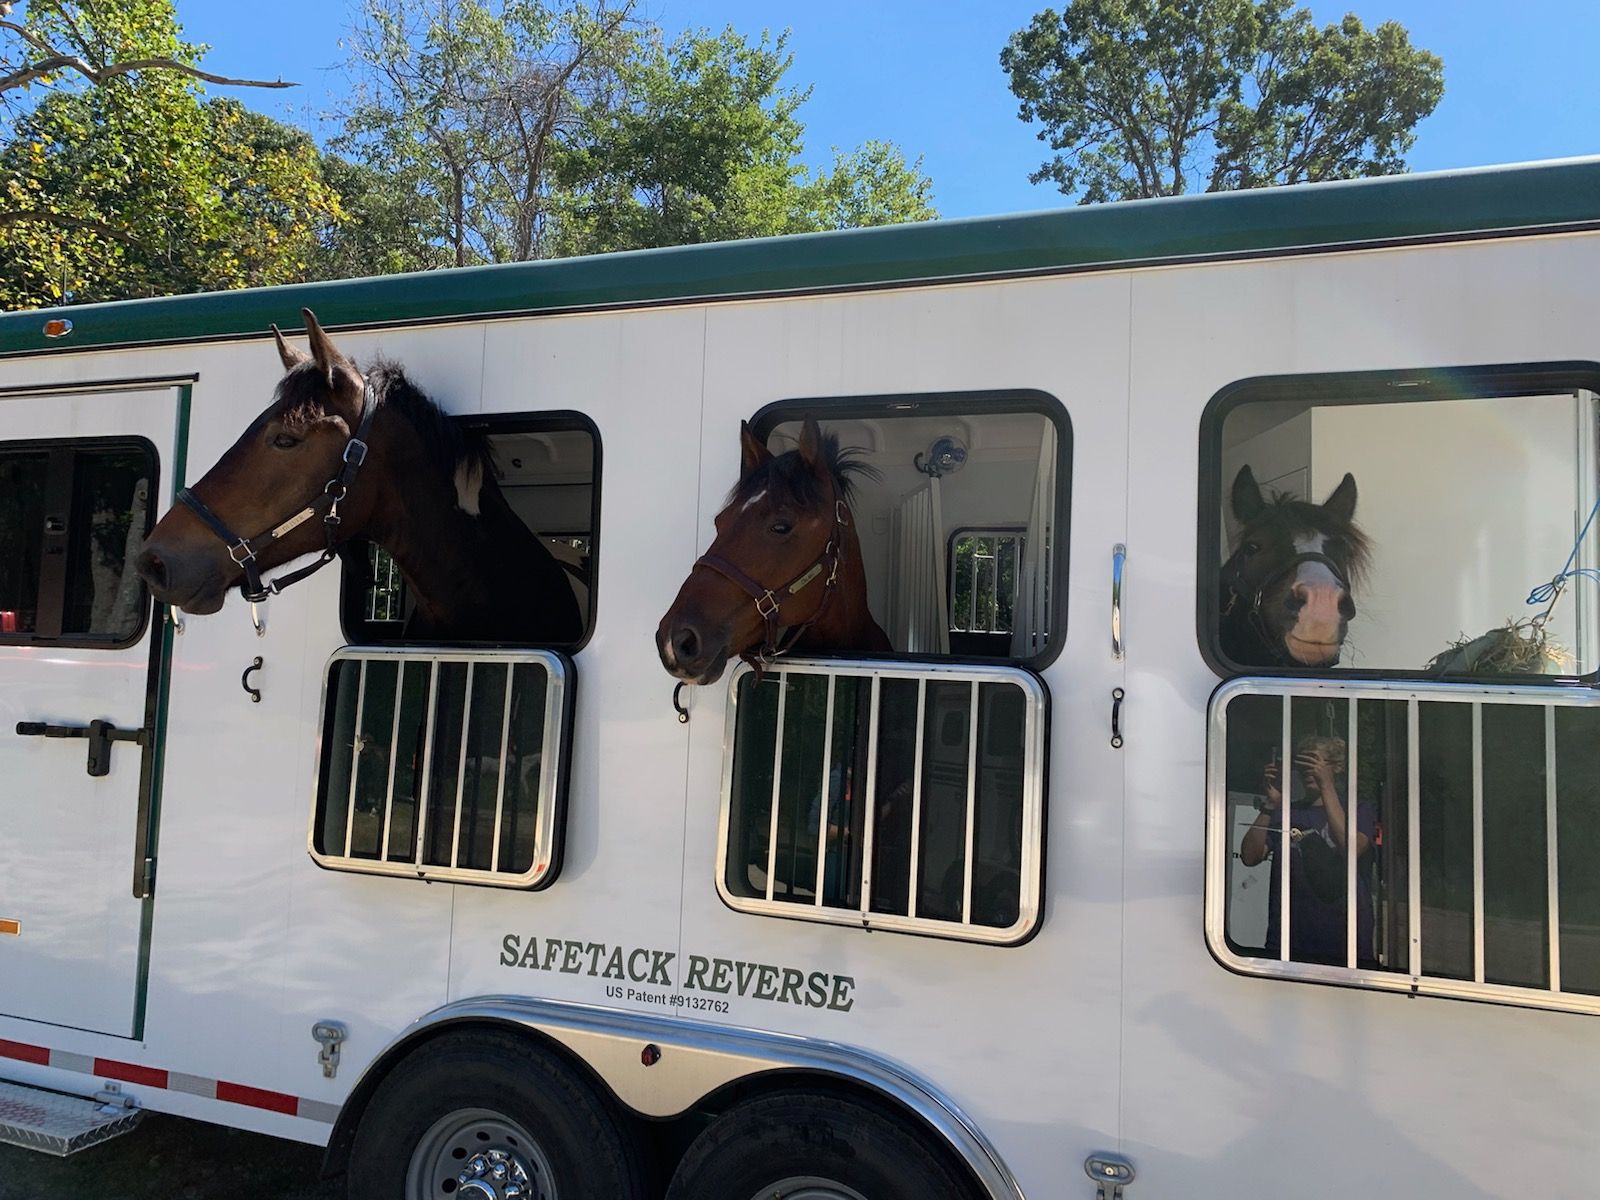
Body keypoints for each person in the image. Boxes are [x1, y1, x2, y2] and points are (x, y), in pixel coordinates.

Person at [1239, 734, 1377, 967]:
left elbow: (1351, 848)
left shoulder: (1360, 809)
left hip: (1344, 945)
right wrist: (1270, 804)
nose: (1307, 772)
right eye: (1303, 765)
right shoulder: (1288, 813)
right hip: (1287, 941)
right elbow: (1250, 856)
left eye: (1315, 764)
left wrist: (1327, 785)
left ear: (1338, 767)